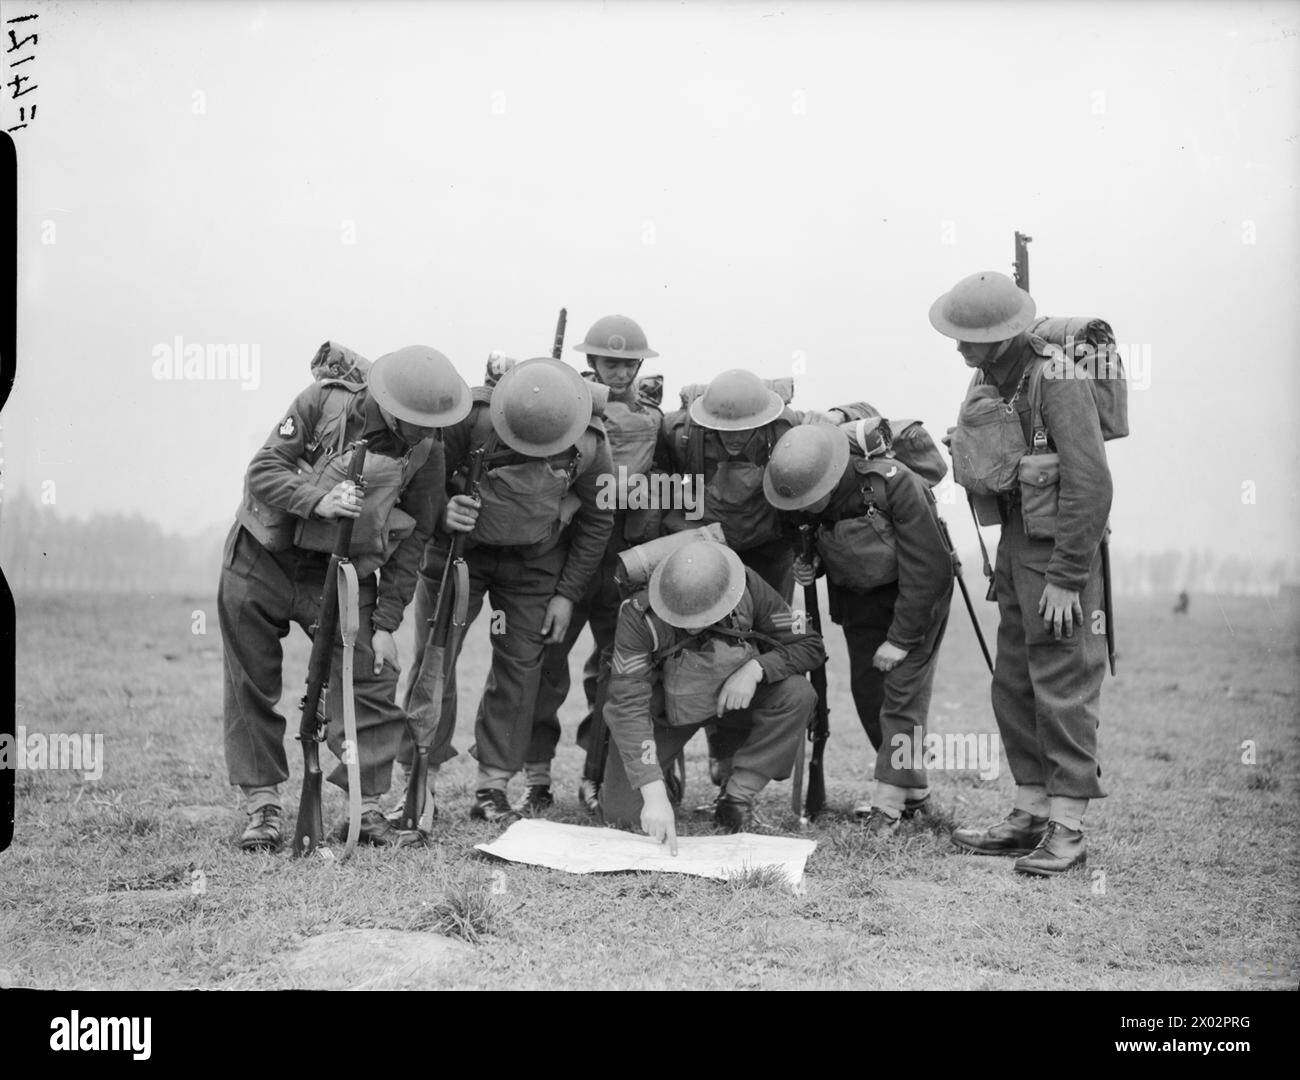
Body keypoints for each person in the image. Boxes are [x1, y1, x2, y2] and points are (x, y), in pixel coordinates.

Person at [220, 343, 471, 851]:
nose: (426, 432)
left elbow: (418, 533)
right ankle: (263, 805)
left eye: (433, 423)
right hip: (262, 556)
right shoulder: (322, 404)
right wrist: (319, 501)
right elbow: (263, 470)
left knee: (371, 678)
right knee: (251, 680)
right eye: (416, 421)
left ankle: (368, 805)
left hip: (343, 571)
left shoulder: (429, 449)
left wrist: (384, 623)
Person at [932, 270, 1112, 876]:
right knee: (1013, 683)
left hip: (1059, 553)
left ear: (1004, 334)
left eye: (970, 336)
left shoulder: (1056, 378)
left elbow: (1090, 482)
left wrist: (1066, 576)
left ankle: (1067, 830)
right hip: (1015, 547)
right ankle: (1030, 813)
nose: (959, 347)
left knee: (1061, 683)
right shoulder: (992, 377)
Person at [406, 356, 614, 823]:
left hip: (535, 563)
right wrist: (442, 511)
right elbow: (420, 484)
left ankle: (493, 785)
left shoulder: (591, 443)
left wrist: (566, 593)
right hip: (461, 553)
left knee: (521, 668)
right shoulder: (468, 421)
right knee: (435, 659)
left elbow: (598, 521)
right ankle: (421, 777)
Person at [660, 370, 875, 789]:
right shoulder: (680, 432)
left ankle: (735, 759)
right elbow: (658, 489)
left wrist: (835, 414)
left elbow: (869, 416)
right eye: (725, 430)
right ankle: (701, 754)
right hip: (705, 551)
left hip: (769, 554)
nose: (736, 438)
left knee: (758, 649)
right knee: (704, 649)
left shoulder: (789, 426)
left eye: (745, 429)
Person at [765, 419, 953, 832]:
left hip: (917, 600)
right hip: (860, 603)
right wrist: (812, 563)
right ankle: (914, 793)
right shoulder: (808, 491)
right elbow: (842, 545)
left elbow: (931, 568)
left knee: (901, 699)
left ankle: (887, 807)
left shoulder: (894, 482)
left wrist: (902, 640)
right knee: (869, 695)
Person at [523, 315, 666, 813]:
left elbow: (666, 480)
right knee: (545, 666)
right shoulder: (565, 406)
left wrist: (645, 493)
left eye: (630, 363)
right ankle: (535, 775)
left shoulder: (653, 416)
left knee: (616, 672)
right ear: (591, 362)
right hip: (566, 555)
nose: (621, 372)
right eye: (611, 362)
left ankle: (596, 774)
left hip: (623, 561)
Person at [603, 539, 825, 846]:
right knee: (622, 813)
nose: (693, 627)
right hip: (667, 712)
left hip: (733, 698)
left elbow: (809, 644)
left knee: (797, 694)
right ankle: (663, 778)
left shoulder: (745, 585)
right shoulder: (638, 615)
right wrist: (652, 793)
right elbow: (628, 705)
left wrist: (756, 669)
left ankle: (736, 798)